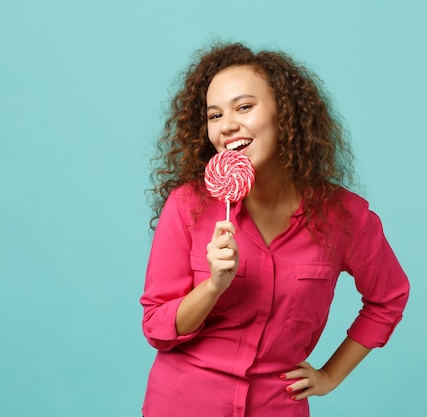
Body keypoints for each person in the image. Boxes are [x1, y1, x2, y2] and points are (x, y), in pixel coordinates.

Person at [140, 41, 410, 417]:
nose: (227, 125)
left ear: (286, 113)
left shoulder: (343, 216)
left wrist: (330, 376)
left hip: (277, 406)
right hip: (184, 401)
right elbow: (156, 328)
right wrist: (214, 285)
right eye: (214, 115)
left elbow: (389, 298)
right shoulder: (188, 206)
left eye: (244, 107)